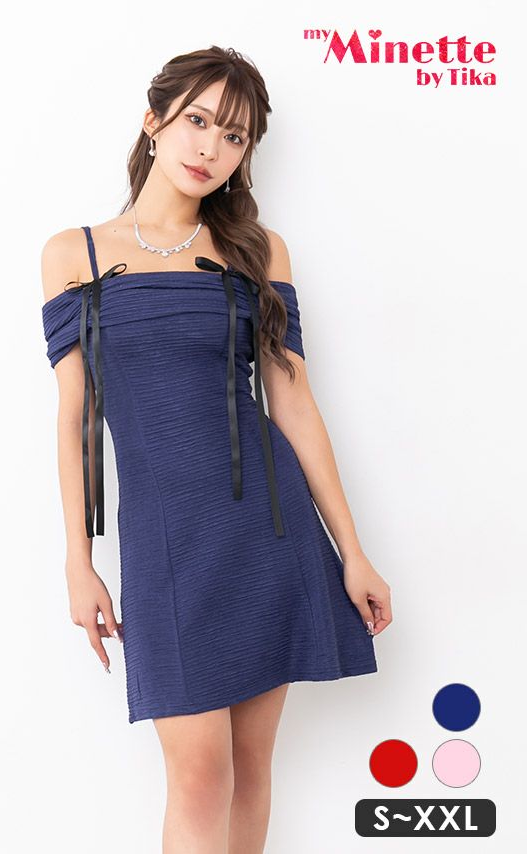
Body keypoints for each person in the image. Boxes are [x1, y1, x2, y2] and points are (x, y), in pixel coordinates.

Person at [41, 45, 392, 853]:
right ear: (154, 120)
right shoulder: (73, 253)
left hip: (265, 529)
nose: (210, 148)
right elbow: (74, 418)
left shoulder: (257, 251)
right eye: (198, 121)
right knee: (199, 775)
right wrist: (77, 559)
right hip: (166, 541)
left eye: (234, 137)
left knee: (248, 767)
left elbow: (294, 402)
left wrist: (353, 552)